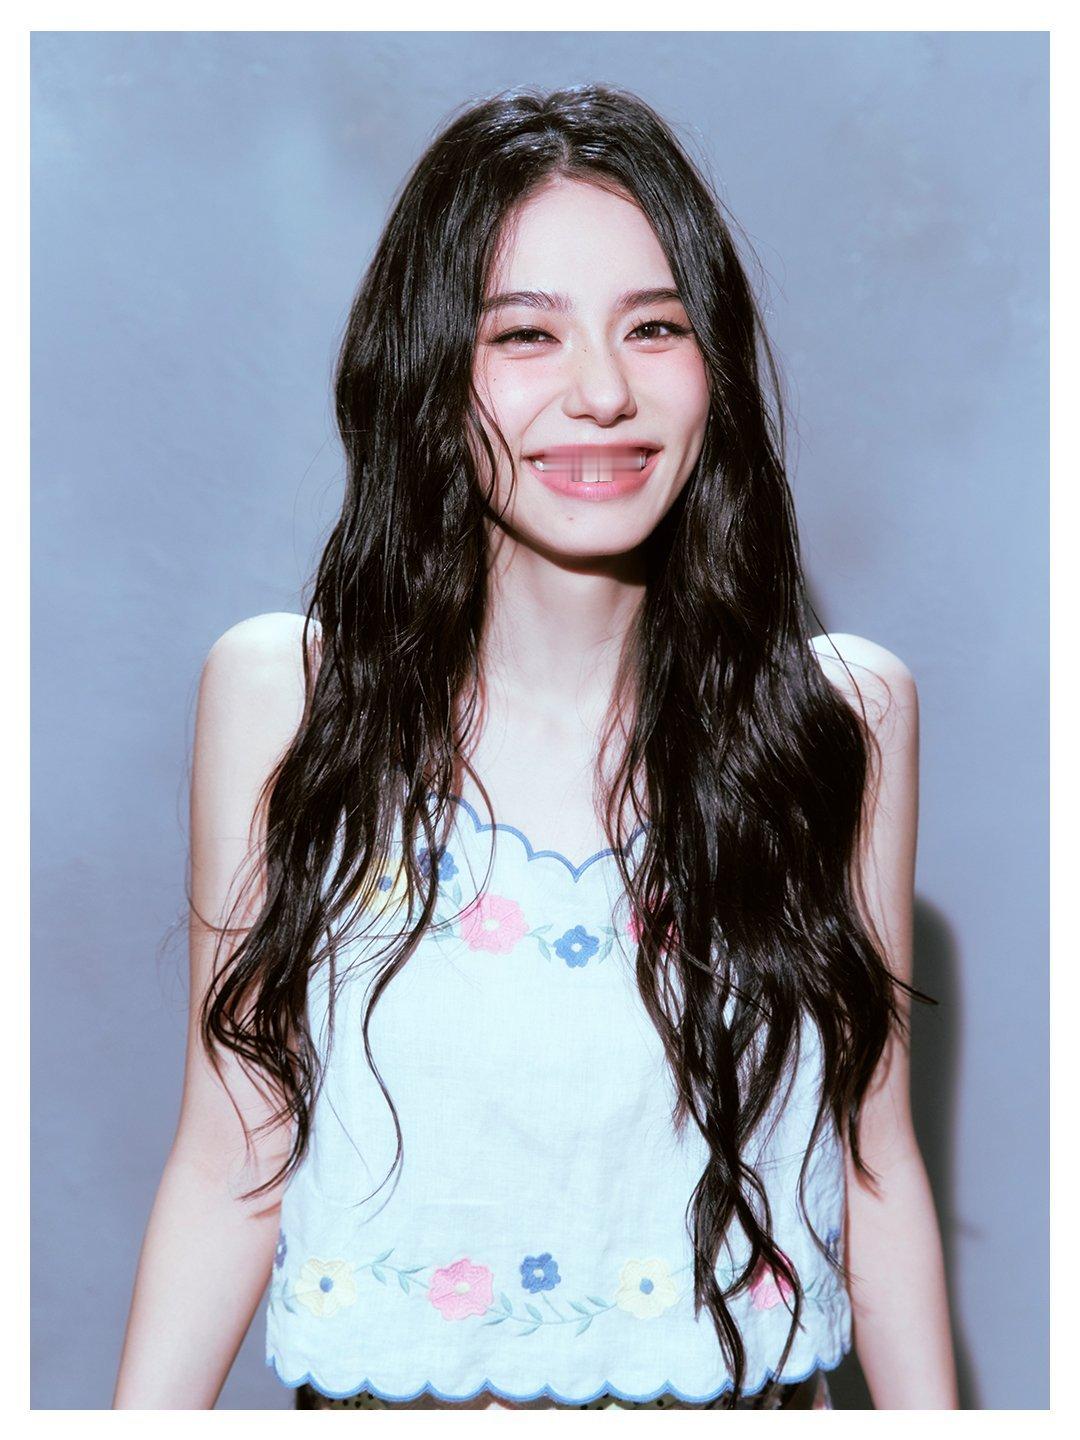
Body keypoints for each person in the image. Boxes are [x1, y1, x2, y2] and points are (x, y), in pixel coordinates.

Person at [113, 84, 958, 1411]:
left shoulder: (841, 720)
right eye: (525, 333)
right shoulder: (291, 700)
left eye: (655, 327)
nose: (603, 393)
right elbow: (233, 1153)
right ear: (429, 368)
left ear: (716, 365)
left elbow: (873, 1163)